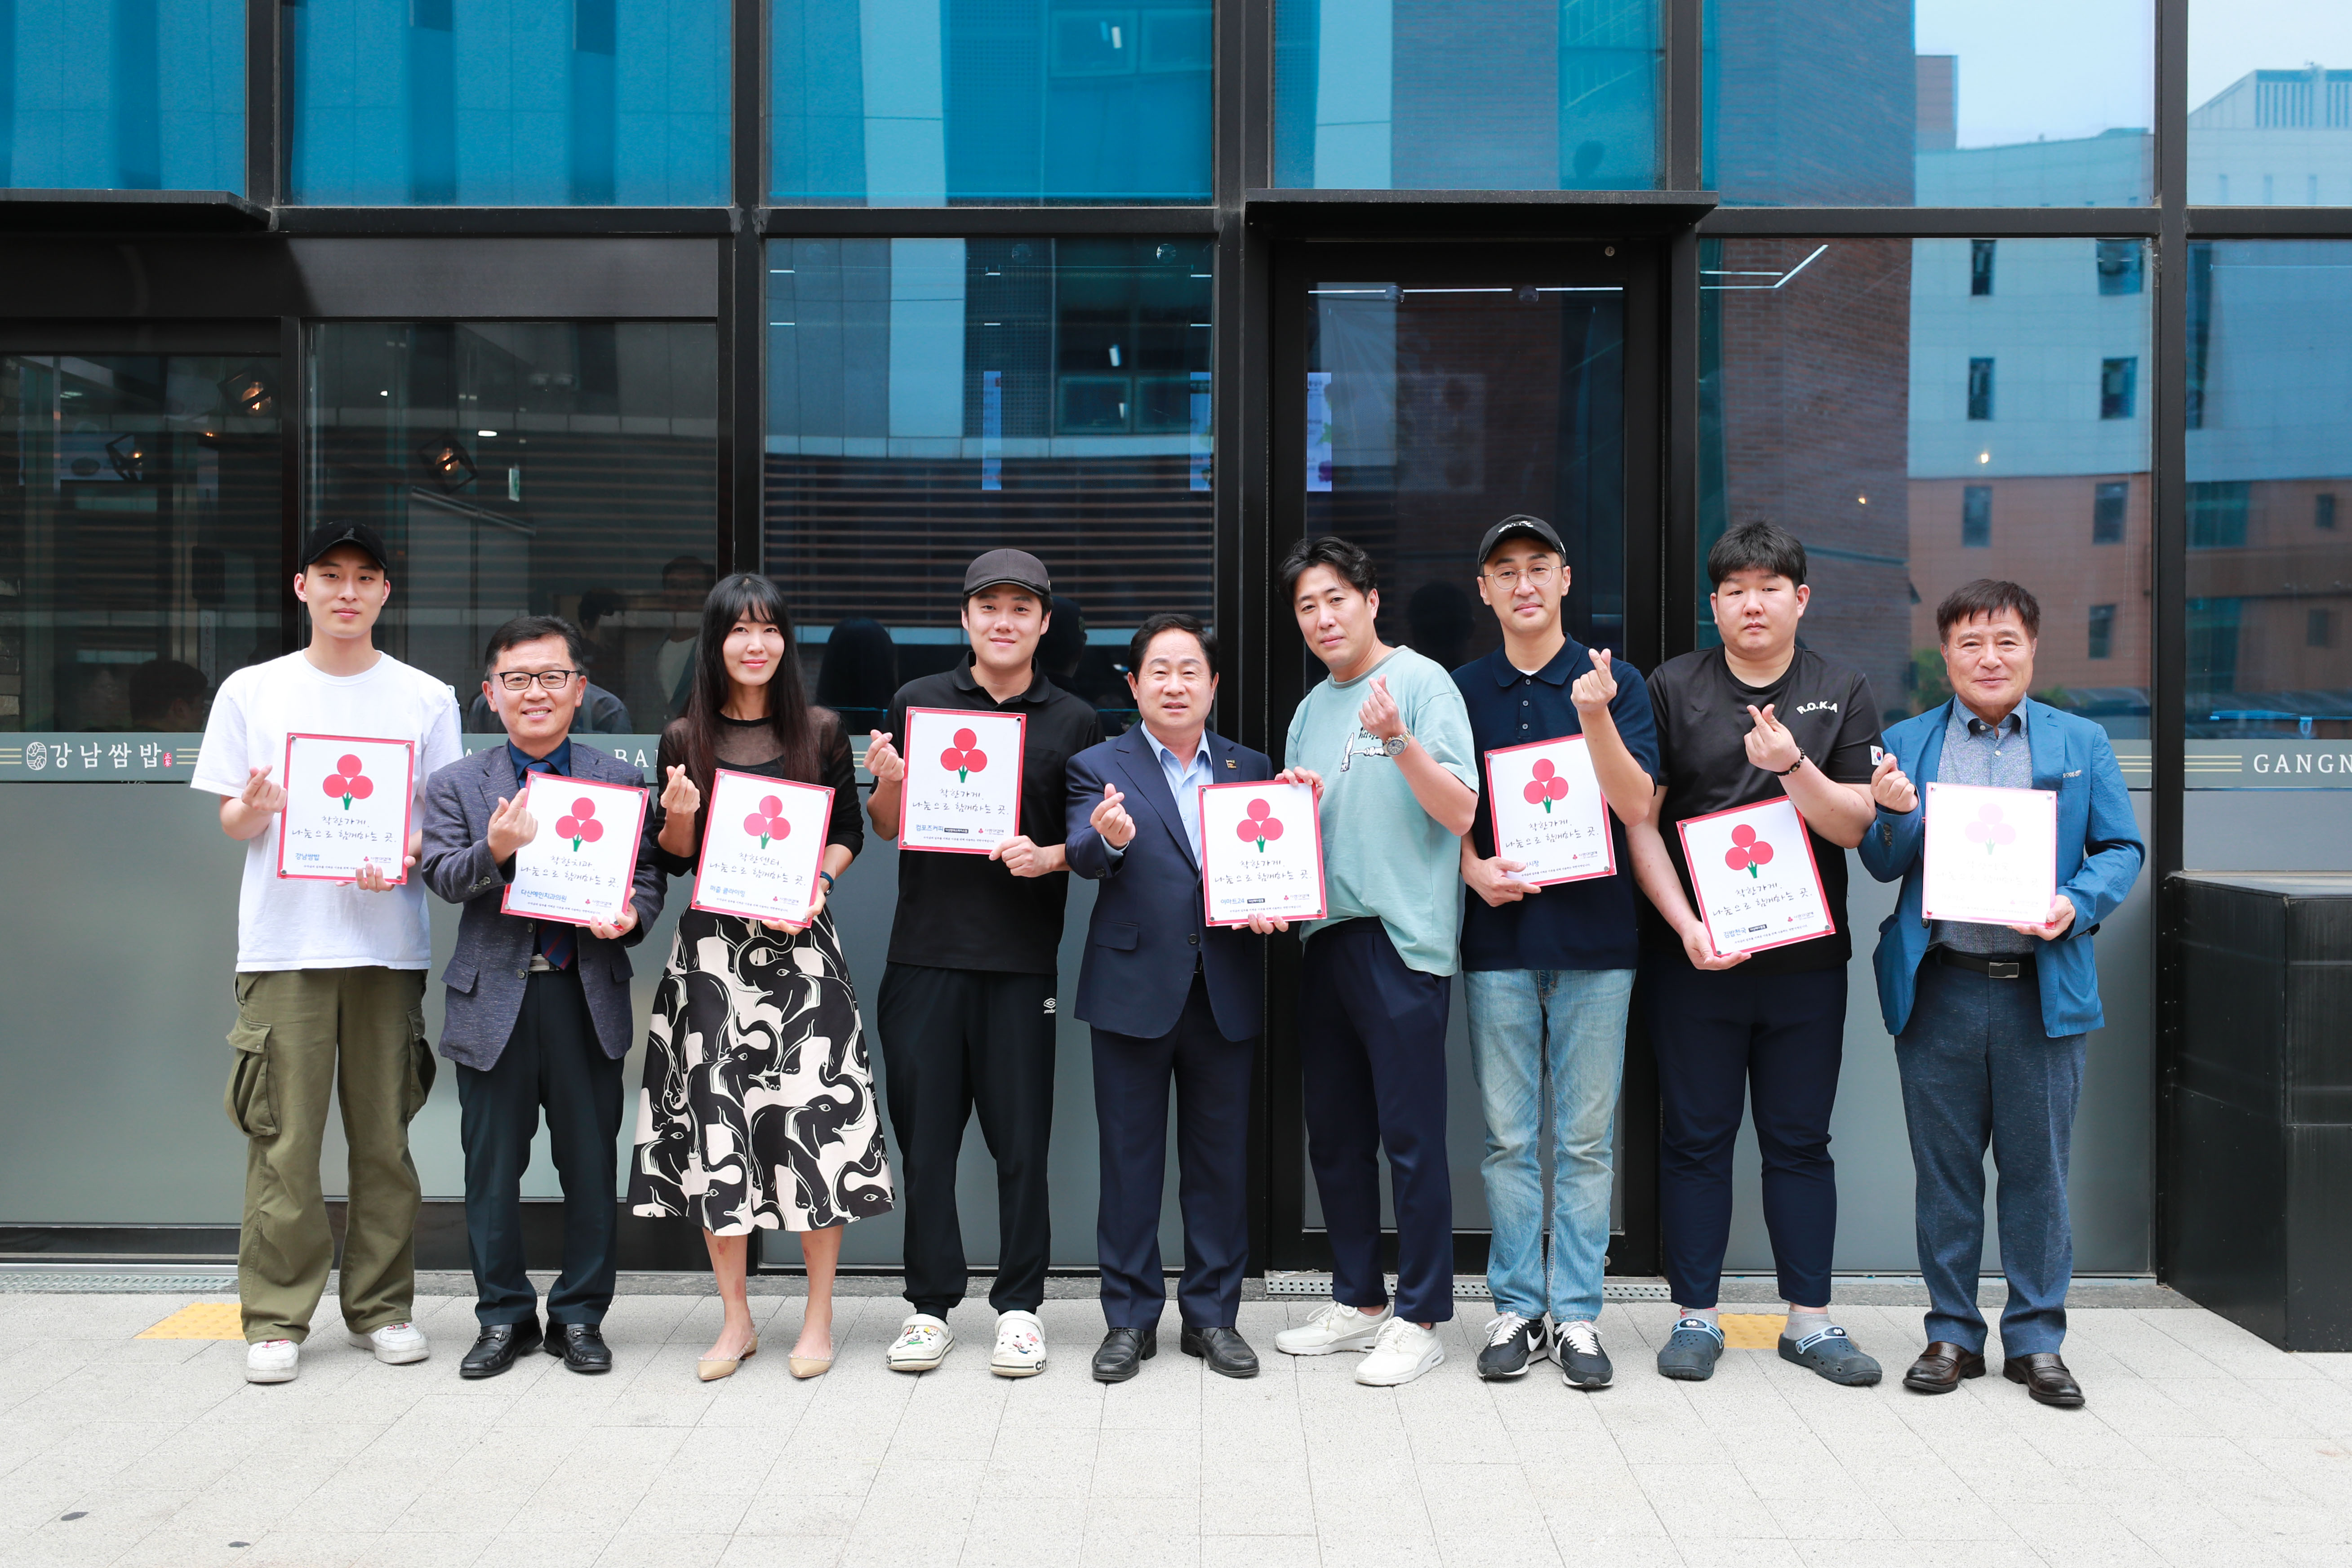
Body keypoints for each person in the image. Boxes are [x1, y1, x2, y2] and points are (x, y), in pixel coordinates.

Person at [190, 520, 462, 1384]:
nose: (349, 591)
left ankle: (382, 1307)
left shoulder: (426, 697)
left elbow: (438, 825)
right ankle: (276, 1318)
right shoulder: (253, 690)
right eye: (331, 574)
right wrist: (258, 807)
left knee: (384, 1139)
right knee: (284, 1139)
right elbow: (231, 819)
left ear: (386, 591)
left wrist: (400, 855)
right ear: (301, 585)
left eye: (365, 576)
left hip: (386, 946)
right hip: (285, 945)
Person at [1859, 580, 2143, 1408]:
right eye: (1970, 643)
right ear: (1945, 655)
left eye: (2006, 641)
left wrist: (2075, 903)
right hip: (1941, 987)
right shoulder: (1906, 741)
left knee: (2037, 1174)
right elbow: (1882, 861)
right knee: (1943, 1174)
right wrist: (1891, 813)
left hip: (2038, 991)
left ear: (2032, 649)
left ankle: (2035, 1340)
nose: (1989, 658)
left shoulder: (2080, 740)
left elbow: (2120, 847)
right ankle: (1951, 1332)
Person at [1626, 519, 1885, 1386]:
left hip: (1805, 964)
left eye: (1769, 588)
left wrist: (1791, 767)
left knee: (1799, 1141)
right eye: (1734, 590)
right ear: (1714, 603)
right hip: (1696, 960)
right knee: (1694, 1139)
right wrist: (1682, 925)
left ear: (1799, 598)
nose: (1752, 604)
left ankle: (1808, 1321)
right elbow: (1641, 821)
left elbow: (1854, 824)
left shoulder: (1840, 688)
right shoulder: (1673, 686)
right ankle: (1694, 1315)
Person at [628, 574, 893, 1381]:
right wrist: (678, 810)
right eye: (738, 630)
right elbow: (676, 857)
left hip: (803, 954)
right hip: (713, 958)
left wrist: (821, 881)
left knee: (814, 1129)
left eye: (768, 628)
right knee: (719, 1130)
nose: (755, 644)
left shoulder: (822, 730)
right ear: (714, 644)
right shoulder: (684, 736)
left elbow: (848, 831)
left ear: (785, 640)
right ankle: (736, 1317)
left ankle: (818, 1315)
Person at [863, 549, 1104, 1377]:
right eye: (988, 607)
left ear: (1044, 622)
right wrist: (888, 781)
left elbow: (1087, 839)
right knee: (927, 1147)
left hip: (1020, 961)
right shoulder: (917, 701)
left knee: (1021, 1146)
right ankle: (929, 1307)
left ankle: (1021, 1308)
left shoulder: (1074, 718)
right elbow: (887, 824)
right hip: (923, 955)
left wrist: (1052, 855)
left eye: (1021, 608)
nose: (1004, 622)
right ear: (965, 618)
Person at [418, 615, 665, 1379]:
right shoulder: (457, 783)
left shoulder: (618, 779)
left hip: (584, 995)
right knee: (490, 1171)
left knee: (590, 1167)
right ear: (490, 693)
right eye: (517, 679)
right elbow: (441, 875)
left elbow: (647, 876)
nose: (536, 692)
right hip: (492, 997)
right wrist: (494, 850)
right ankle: (503, 1317)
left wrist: (631, 916)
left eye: (552, 677)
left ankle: (580, 1316)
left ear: (579, 689)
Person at [1452, 515, 1659, 1389]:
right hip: (1498, 944)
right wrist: (1470, 868)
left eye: (1539, 566)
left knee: (1583, 1140)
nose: (1524, 583)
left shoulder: (1615, 681)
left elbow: (1637, 804)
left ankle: (1575, 1313)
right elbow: (1442, 810)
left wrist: (1594, 715)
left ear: (1566, 579)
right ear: (1485, 590)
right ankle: (1515, 1307)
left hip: (1598, 944)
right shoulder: (1461, 689)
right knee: (1506, 1138)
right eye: (1505, 570)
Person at [1270, 536, 1478, 1388]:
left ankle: (1420, 1315)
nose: (1323, 617)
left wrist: (1396, 739)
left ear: (1370, 601)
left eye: (1336, 599)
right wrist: (1295, 805)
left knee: (1411, 1138)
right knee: (1336, 1135)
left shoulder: (1423, 683)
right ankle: (1358, 1299)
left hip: (1400, 937)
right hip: (1325, 934)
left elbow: (1460, 811)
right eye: (1307, 606)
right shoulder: (1308, 709)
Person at [1063, 613, 1278, 1383]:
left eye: (1191, 670)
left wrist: (1274, 901)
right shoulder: (1098, 764)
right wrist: (1110, 837)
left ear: (1213, 684)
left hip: (1223, 986)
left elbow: (1272, 862)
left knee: (1218, 1163)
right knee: (1129, 1162)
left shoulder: (1250, 766)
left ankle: (1213, 1317)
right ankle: (1128, 1320)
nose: (1175, 684)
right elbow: (1082, 852)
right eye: (1159, 670)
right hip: (1132, 990)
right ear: (1133, 684)